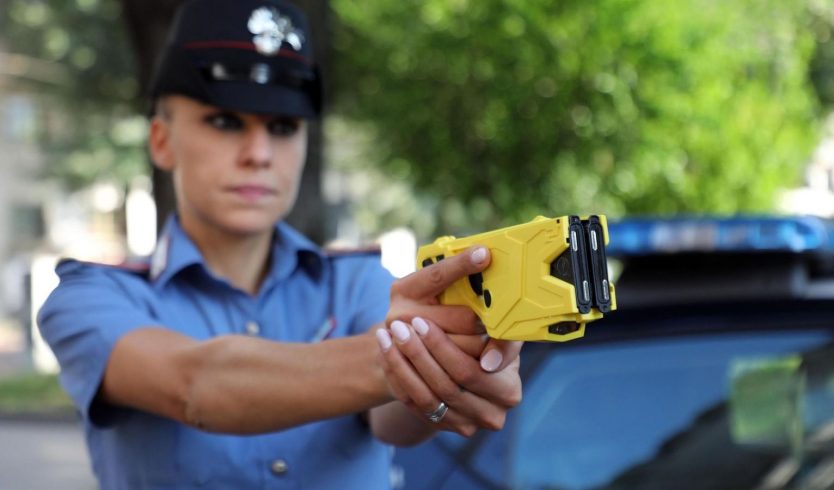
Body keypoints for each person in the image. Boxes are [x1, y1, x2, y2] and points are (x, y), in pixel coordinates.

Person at [36, 0, 522, 488]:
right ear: (161, 141)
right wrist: (399, 356)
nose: (259, 154)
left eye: (283, 127)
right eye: (225, 122)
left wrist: (453, 359)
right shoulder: (91, 298)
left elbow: (392, 420)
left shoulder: (357, 282)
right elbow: (195, 385)